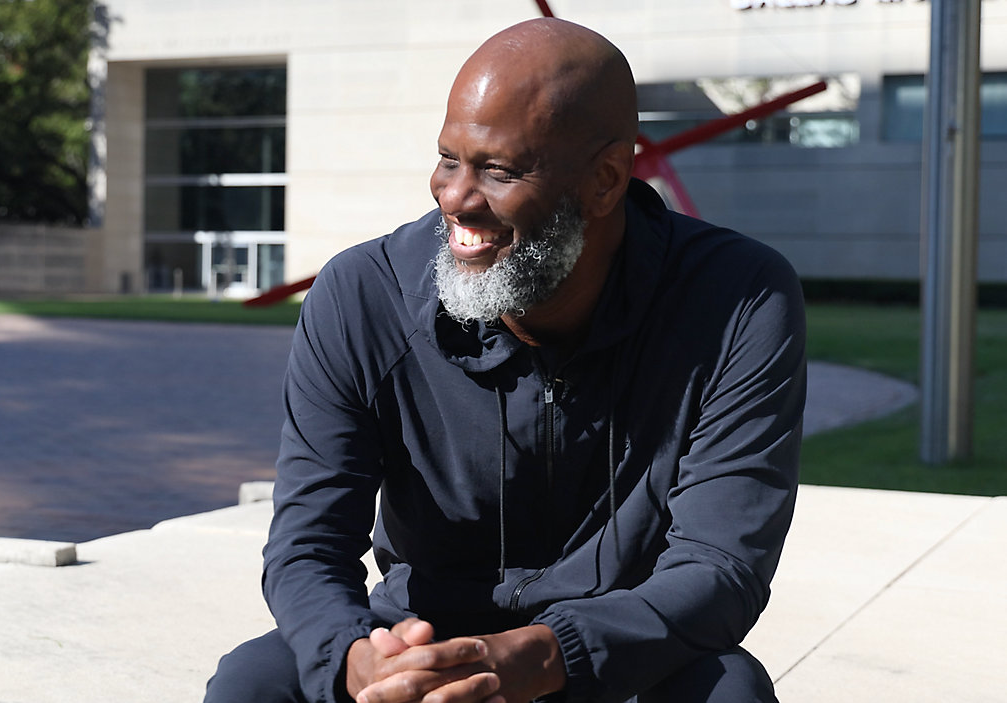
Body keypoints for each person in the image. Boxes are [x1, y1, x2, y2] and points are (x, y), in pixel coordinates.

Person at [205, 17, 805, 703]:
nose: (455, 197)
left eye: (497, 170)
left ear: (606, 178)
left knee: (728, 689)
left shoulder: (736, 298)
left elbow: (722, 564)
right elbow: (307, 544)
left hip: (614, 655)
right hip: (419, 643)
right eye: (449, 158)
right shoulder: (361, 294)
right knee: (254, 681)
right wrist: (358, 659)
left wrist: (552, 654)